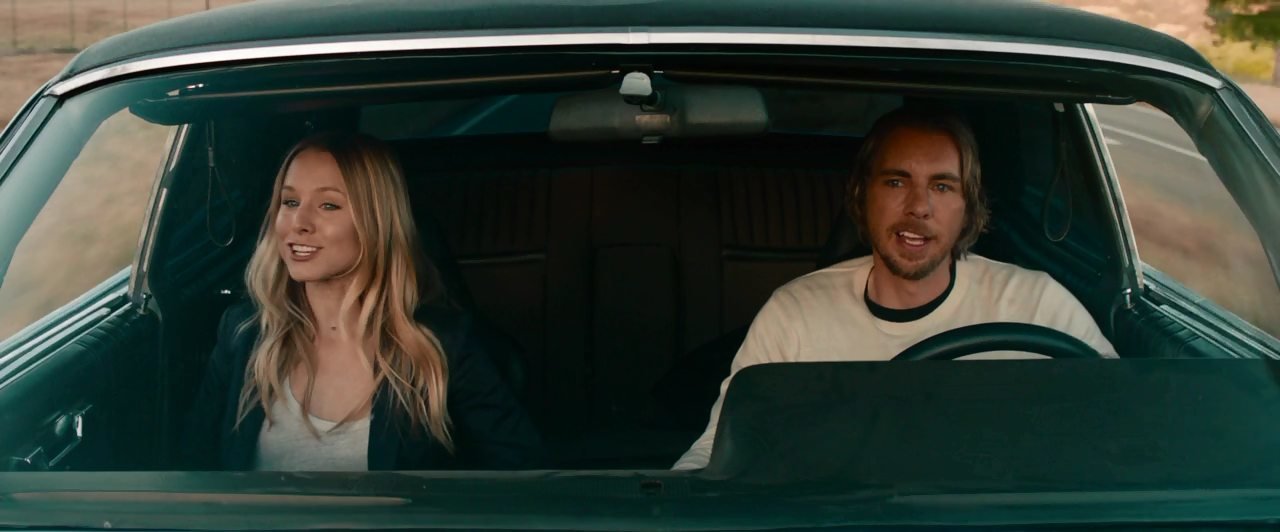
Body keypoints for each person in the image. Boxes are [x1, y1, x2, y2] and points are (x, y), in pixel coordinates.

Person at [672, 106, 1117, 471]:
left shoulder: (1037, 305)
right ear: (861, 195)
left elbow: (1119, 428)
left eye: (942, 186)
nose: (918, 207)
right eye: (896, 182)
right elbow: (720, 451)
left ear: (968, 207)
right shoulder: (796, 313)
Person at [183, 132, 542, 471]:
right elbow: (192, 471)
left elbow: (522, 481)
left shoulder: (443, 348)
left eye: (328, 205)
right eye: (290, 202)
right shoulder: (243, 333)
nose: (298, 223)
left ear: (376, 221)